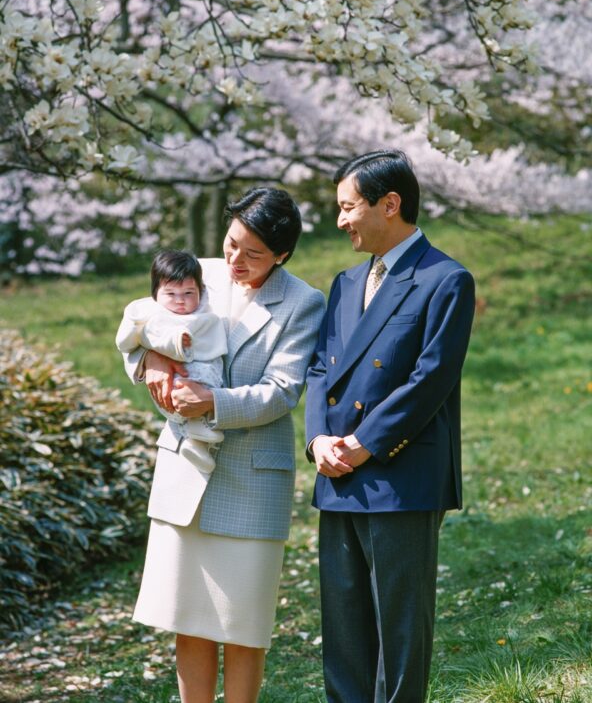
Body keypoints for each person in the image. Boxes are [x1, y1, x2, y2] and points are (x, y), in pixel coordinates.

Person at [122, 187, 325, 703]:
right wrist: (152, 364)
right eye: (232, 243)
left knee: (242, 625)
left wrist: (212, 401)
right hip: (185, 469)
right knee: (187, 619)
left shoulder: (303, 303)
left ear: (281, 255)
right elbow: (140, 328)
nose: (235, 260)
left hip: (253, 479)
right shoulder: (200, 274)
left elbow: (282, 391)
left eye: (253, 254)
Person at [305, 150, 475, 703]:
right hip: (337, 474)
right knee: (345, 634)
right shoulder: (345, 282)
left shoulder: (446, 279)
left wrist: (363, 444)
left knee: (399, 636)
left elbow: (431, 379)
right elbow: (319, 369)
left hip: (400, 476)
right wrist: (318, 440)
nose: (341, 220)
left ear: (390, 204)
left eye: (348, 207)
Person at [115, 250, 228, 502]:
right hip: (175, 386)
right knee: (186, 387)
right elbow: (132, 339)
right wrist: (154, 354)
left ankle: (197, 441)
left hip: (207, 385)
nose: (180, 301)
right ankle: (195, 433)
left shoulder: (205, 306)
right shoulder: (149, 313)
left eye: (189, 294)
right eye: (171, 294)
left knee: (202, 380)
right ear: (156, 292)